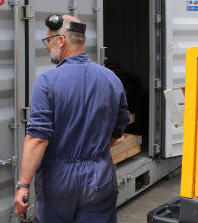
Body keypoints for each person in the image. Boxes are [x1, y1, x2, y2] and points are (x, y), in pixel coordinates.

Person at [14, 14, 130, 222]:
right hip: (100, 177)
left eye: (48, 40)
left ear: (61, 40)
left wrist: (23, 185)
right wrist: (95, 154)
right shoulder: (110, 78)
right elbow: (119, 126)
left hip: (58, 181)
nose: (48, 46)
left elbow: (38, 138)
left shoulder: (47, 82)